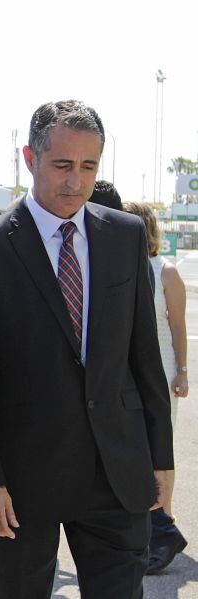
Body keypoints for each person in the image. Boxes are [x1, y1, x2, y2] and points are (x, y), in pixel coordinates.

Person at [0, 100, 173, 598]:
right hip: (21, 484)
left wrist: (161, 456)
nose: (75, 181)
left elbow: (143, 355)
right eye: (62, 165)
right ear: (30, 158)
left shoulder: (124, 236)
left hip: (117, 474)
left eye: (88, 167)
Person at [122, 200, 190, 574]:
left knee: (159, 444)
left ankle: (164, 517)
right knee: (136, 447)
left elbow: (179, 327)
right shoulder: (118, 266)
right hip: (129, 369)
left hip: (161, 368)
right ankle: (151, 524)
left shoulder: (166, 272)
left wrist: (181, 371)